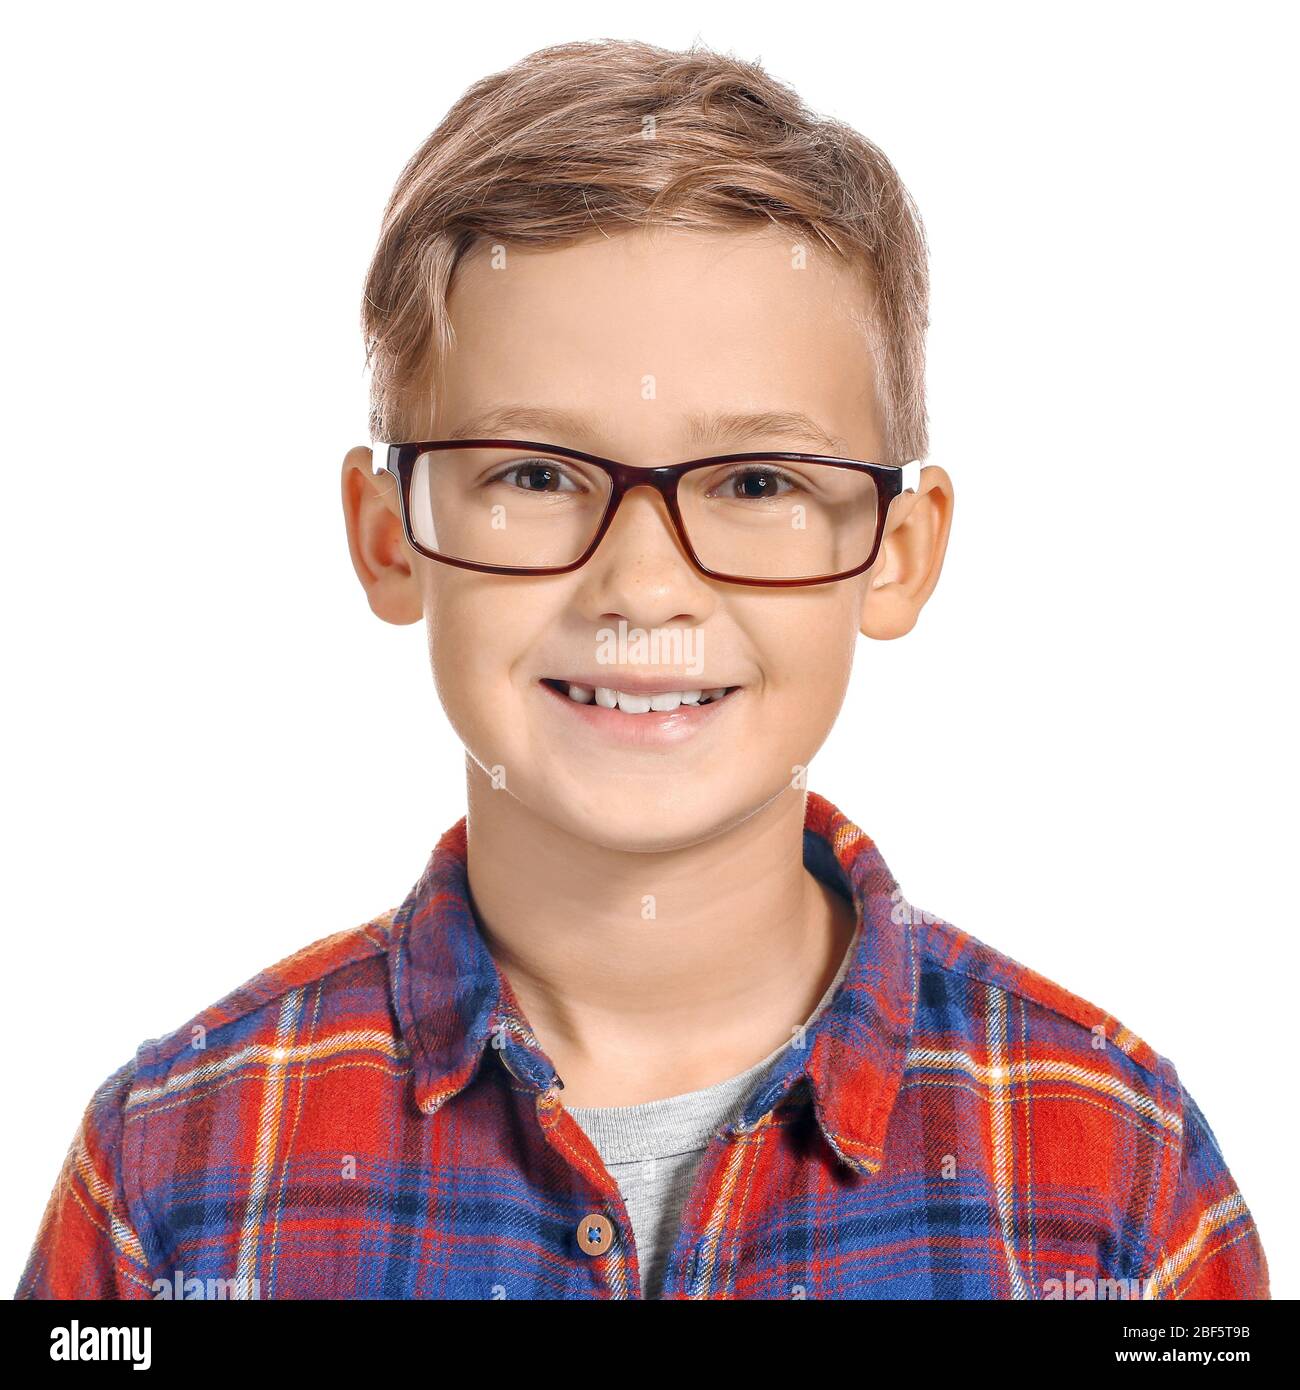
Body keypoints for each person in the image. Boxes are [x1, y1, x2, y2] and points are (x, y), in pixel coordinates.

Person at [16, 37, 1268, 1301]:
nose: (643, 584)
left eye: (758, 482)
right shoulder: (169, 1182)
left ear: (895, 553)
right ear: (388, 538)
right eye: (535, 474)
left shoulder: (1121, 1185)